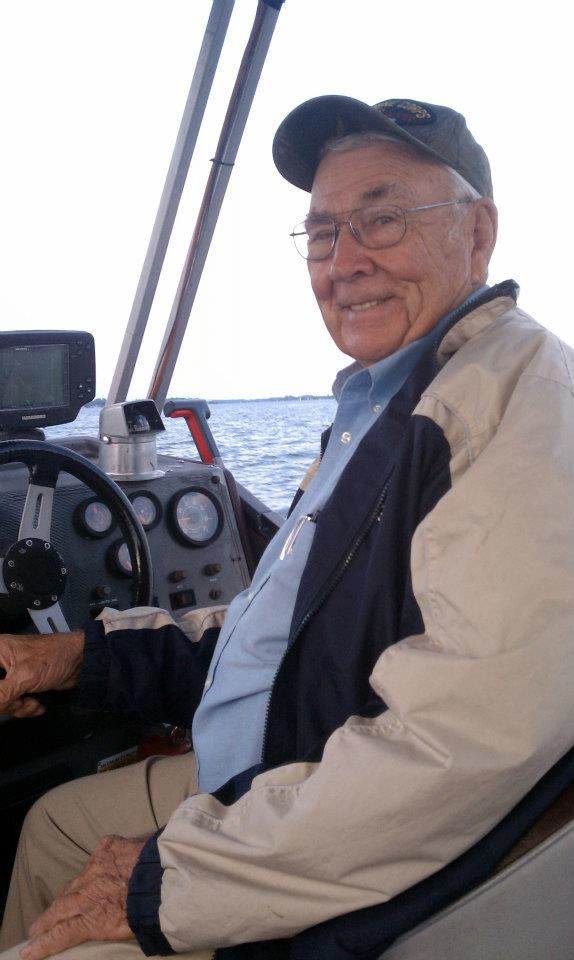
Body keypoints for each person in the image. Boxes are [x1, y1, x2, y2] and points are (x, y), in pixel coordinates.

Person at [1, 95, 574, 960]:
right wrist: (79, 656)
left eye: (382, 218)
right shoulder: (390, 399)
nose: (344, 261)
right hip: (285, 762)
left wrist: (169, 882)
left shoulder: (512, 410)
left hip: (364, 850)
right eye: (321, 232)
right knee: (52, 827)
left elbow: (451, 752)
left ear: (478, 232)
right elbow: (286, 623)